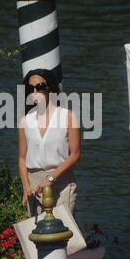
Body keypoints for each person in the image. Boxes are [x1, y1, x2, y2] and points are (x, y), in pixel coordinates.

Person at [18, 68, 81, 217]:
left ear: (50, 88)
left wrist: (52, 177)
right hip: (34, 186)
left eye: (40, 87)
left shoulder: (68, 116)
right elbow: (22, 157)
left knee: (64, 233)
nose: (35, 91)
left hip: (62, 182)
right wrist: (26, 187)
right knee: (38, 235)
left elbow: (75, 154)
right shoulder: (25, 120)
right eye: (30, 88)